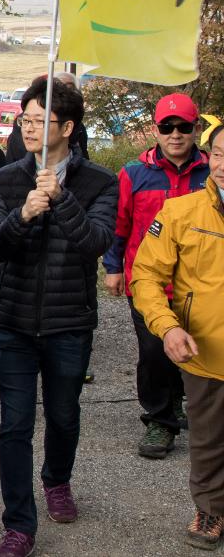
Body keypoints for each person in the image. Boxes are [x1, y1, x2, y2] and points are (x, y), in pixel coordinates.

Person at [0, 76, 118, 557]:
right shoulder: (6, 178)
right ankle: (19, 524)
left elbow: (96, 245)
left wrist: (62, 202)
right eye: (25, 120)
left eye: (41, 121)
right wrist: (22, 214)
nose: (30, 128)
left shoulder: (99, 181)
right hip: (13, 320)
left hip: (69, 323)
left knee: (63, 415)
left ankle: (57, 479)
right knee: (14, 424)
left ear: (68, 126)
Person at [130, 123, 224, 551]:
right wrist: (167, 326)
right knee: (208, 439)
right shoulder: (181, 212)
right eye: (219, 155)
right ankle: (210, 509)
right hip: (206, 353)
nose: (223, 166)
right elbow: (146, 275)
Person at [103, 93, 209, 460]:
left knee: (196, 349)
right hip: (148, 281)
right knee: (153, 352)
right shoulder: (134, 173)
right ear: (156, 130)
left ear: (196, 129)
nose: (175, 134)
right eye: (167, 127)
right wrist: (113, 267)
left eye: (183, 127)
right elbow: (120, 223)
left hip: (199, 286)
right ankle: (159, 419)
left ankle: (183, 404)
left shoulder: (213, 173)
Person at [5, 73, 89, 162]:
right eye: (25, 120)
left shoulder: (79, 129)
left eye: (39, 121)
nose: (28, 129)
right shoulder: (4, 175)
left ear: (67, 127)